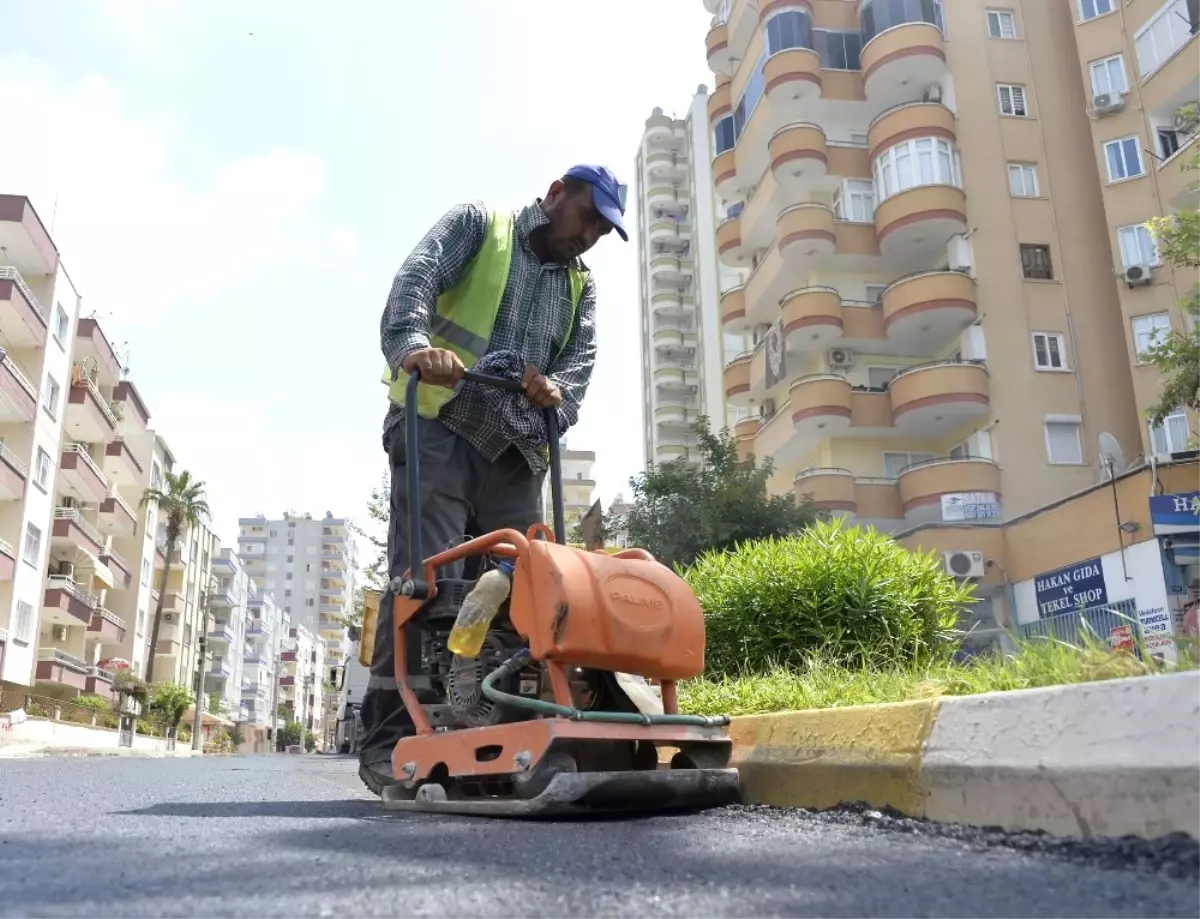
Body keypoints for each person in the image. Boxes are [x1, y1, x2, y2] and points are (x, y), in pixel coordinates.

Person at [357, 165, 628, 794]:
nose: (589, 235)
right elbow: (415, 282)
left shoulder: (581, 289)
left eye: (602, 229)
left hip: (515, 451)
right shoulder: (482, 226)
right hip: (441, 426)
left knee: (514, 593)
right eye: (587, 216)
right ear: (557, 193)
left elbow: (577, 374)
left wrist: (552, 391)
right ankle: (390, 739)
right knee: (425, 581)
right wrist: (416, 346)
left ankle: (488, 730)